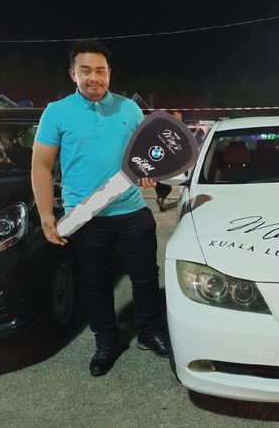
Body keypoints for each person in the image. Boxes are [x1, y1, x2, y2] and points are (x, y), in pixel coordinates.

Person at [32, 39, 169, 377]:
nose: (94, 77)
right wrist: (46, 213)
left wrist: (149, 176)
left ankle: (149, 333)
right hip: (86, 217)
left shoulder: (130, 109)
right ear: (72, 74)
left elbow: (146, 158)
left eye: (100, 70)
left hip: (133, 212)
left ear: (109, 73)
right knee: (95, 282)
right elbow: (41, 165)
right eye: (85, 71)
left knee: (145, 276)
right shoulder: (57, 112)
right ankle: (106, 341)